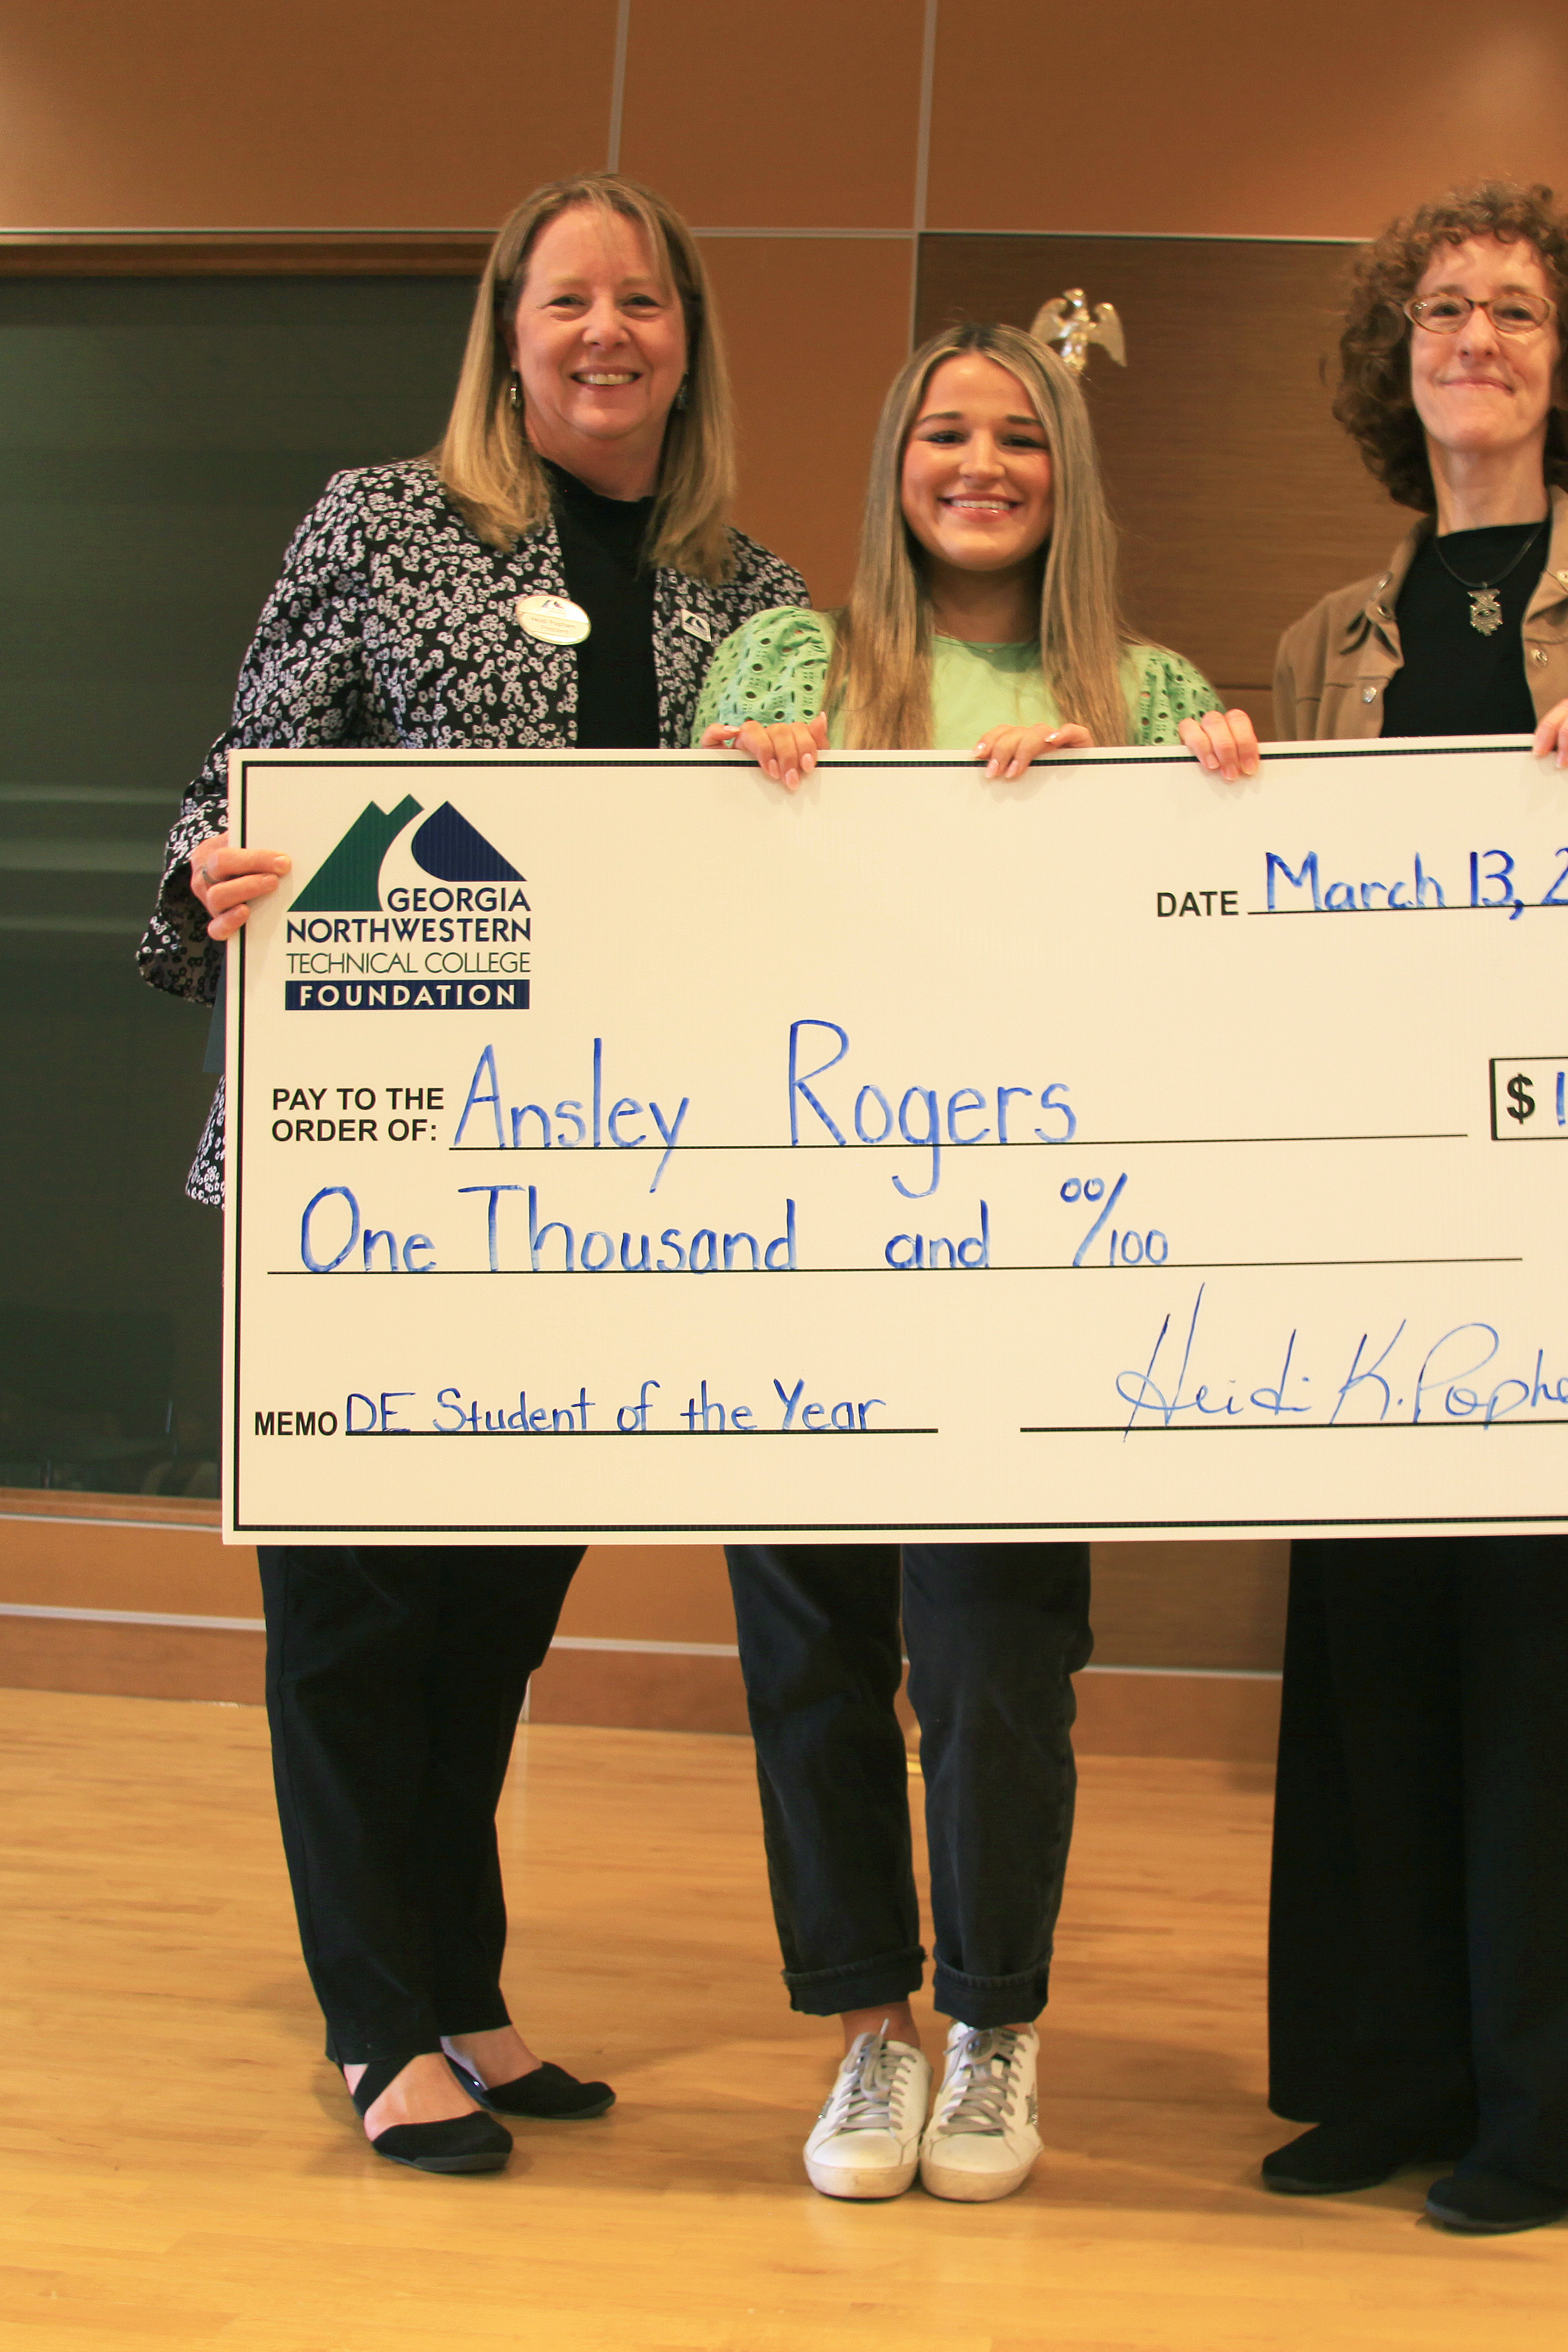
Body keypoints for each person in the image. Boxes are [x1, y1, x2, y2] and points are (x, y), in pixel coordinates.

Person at [137, 172, 807, 2176]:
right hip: (371, 1172)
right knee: (360, 1612)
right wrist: (209, 873)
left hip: (598, 1184)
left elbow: (788, 889)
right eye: (566, 301)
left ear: (688, 340)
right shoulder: (378, 522)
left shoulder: (749, 595)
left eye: (644, 303)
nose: (608, 333)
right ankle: (378, 2021)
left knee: (499, 1614)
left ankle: (464, 1984)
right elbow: (241, 774)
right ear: (508, 337)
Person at [695, 321, 1257, 2204]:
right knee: (812, 1651)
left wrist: (1202, 791)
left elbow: (1226, 946)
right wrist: (728, 782)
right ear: (895, 462)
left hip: (1039, 1255)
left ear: (1064, 475)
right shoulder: (790, 655)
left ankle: (998, 2025)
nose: (980, 463)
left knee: (999, 1658)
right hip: (797, 1237)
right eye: (945, 431)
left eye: (1019, 437)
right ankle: (870, 2033)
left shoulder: (1145, 675)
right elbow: (683, 904)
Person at [1261, 181, 1568, 2235]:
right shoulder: (1322, 641)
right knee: (1370, 1648)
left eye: (1516, 313)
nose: (1474, 336)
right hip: (1378, 1213)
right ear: (1397, 358)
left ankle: (1549, 2119)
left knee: (1559, 1661)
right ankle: (1383, 2081)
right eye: (1443, 310)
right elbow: (1258, 942)